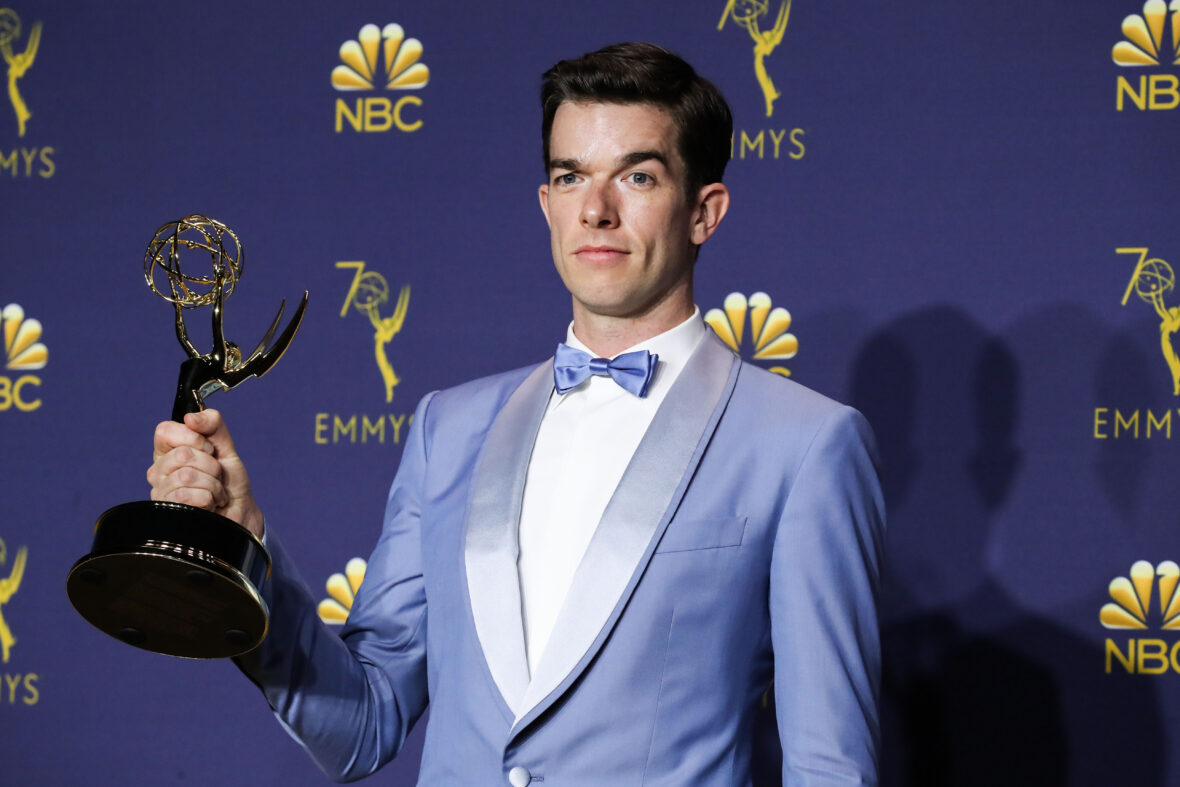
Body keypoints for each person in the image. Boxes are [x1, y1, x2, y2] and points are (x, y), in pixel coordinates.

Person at [148, 42, 885, 786]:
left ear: (704, 211)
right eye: (571, 177)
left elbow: (830, 765)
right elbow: (362, 724)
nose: (596, 209)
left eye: (637, 175)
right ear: (547, 203)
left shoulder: (805, 445)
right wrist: (245, 554)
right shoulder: (448, 428)